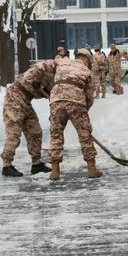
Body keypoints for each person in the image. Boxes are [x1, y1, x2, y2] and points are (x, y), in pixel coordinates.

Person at [48, 48, 103, 181]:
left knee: (56, 134)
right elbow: (89, 96)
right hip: (75, 101)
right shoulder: (86, 70)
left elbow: (49, 74)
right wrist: (84, 114)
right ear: (86, 59)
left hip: (56, 101)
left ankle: (54, 171)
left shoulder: (62, 63)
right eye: (89, 61)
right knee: (85, 135)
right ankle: (92, 169)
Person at [0, 61, 56, 177]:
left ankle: (36, 164)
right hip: (14, 98)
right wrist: (36, 81)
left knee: (35, 131)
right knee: (14, 134)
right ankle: (7, 165)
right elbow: (39, 66)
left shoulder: (58, 79)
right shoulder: (53, 66)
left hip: (26, 101)